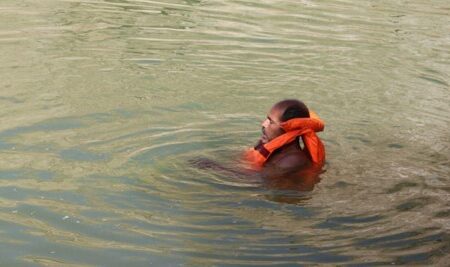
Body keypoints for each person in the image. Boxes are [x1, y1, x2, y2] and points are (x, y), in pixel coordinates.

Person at [244, 99, 326, 175]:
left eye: (271, 122)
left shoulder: (291, 161)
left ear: (290, 128)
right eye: (267, 119)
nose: (264, 124)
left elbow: (254, 181)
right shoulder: (268, 143)